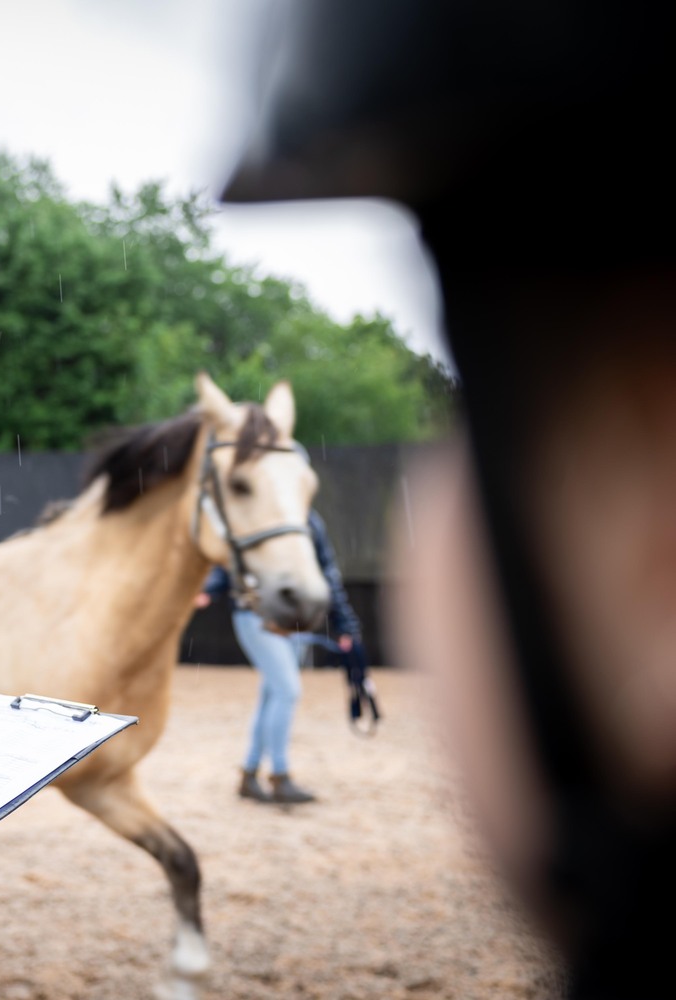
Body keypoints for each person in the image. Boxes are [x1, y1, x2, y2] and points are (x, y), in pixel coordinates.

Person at [220, 0, 672, 994]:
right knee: (281, 689)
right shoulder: (257, 521)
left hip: (295, 614)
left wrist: (345, 637)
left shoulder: (303, 521)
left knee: (289, 688)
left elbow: (317, 568)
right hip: (260, 613)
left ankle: (266, 769)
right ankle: (260, 773)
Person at [196, 509, 363, 804]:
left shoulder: (310, 521)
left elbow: (327, 571)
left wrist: (345, 624)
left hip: (296, 618)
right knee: (287, 691)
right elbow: (229, 562)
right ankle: (280, 775)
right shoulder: (255, 514)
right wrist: (208, 589)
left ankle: (249, 773)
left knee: (273, 693)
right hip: (257, 615)